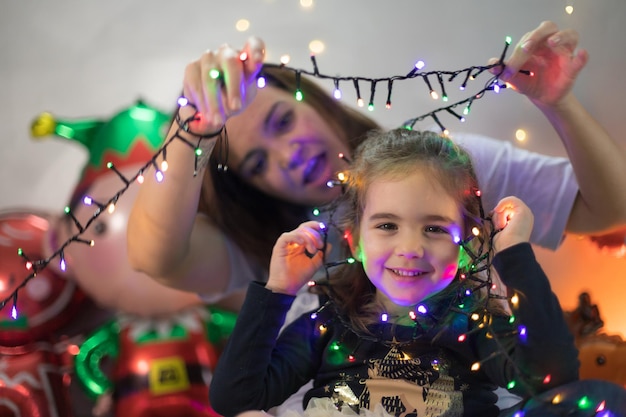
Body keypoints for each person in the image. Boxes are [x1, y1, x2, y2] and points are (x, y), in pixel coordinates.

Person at [126, 21, 626, 311]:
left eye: (282, 121)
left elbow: (606, 211)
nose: (289, 154)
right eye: (258, 162)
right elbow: (155, 258)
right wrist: (193, 131)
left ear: (315, 101)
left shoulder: (445, 168)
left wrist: (559, 104)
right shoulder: (272, 246)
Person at [208, 128, 625, 417]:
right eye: (387, 225)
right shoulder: (331, 319)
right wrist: (280, 289)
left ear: (467, 242)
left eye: (435, 228)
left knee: (599, 399)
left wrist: (513, 252)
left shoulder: (471, 321)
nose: (410, 249)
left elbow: (553, 378)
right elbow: (236, 396)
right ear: (354, 241)